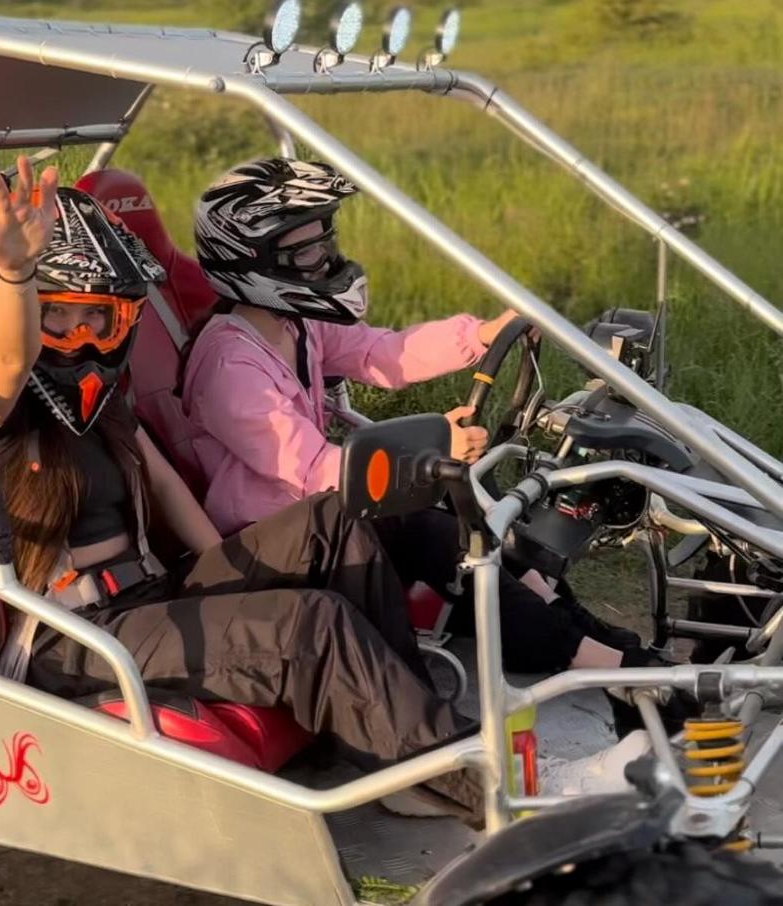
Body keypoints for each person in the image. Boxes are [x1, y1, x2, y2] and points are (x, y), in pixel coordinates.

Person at [0, 155, 487, 820]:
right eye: (59, 320)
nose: (81, 340)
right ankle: (469, 783)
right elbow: (9, 355)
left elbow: (169, 490)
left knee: (333, 519)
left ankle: (406, 743)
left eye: (100, 322)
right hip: (76, 634)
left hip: (150, 594)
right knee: (309, 624)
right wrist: (14, 270)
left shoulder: (98, 404)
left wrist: (240, 580)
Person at [183, 157, 652, 676]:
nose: (325, 259)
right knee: (429, 525)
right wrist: (431, 454)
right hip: (271, 539)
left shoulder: (295, 323)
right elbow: (313, 468)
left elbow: (383, 354)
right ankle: (591, 657)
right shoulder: (230, 364)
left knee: (464, 505)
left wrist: (479, 336)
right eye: (307, 250)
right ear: (256, 260)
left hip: (317, 517)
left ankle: (560, 618)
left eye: (324, 242)